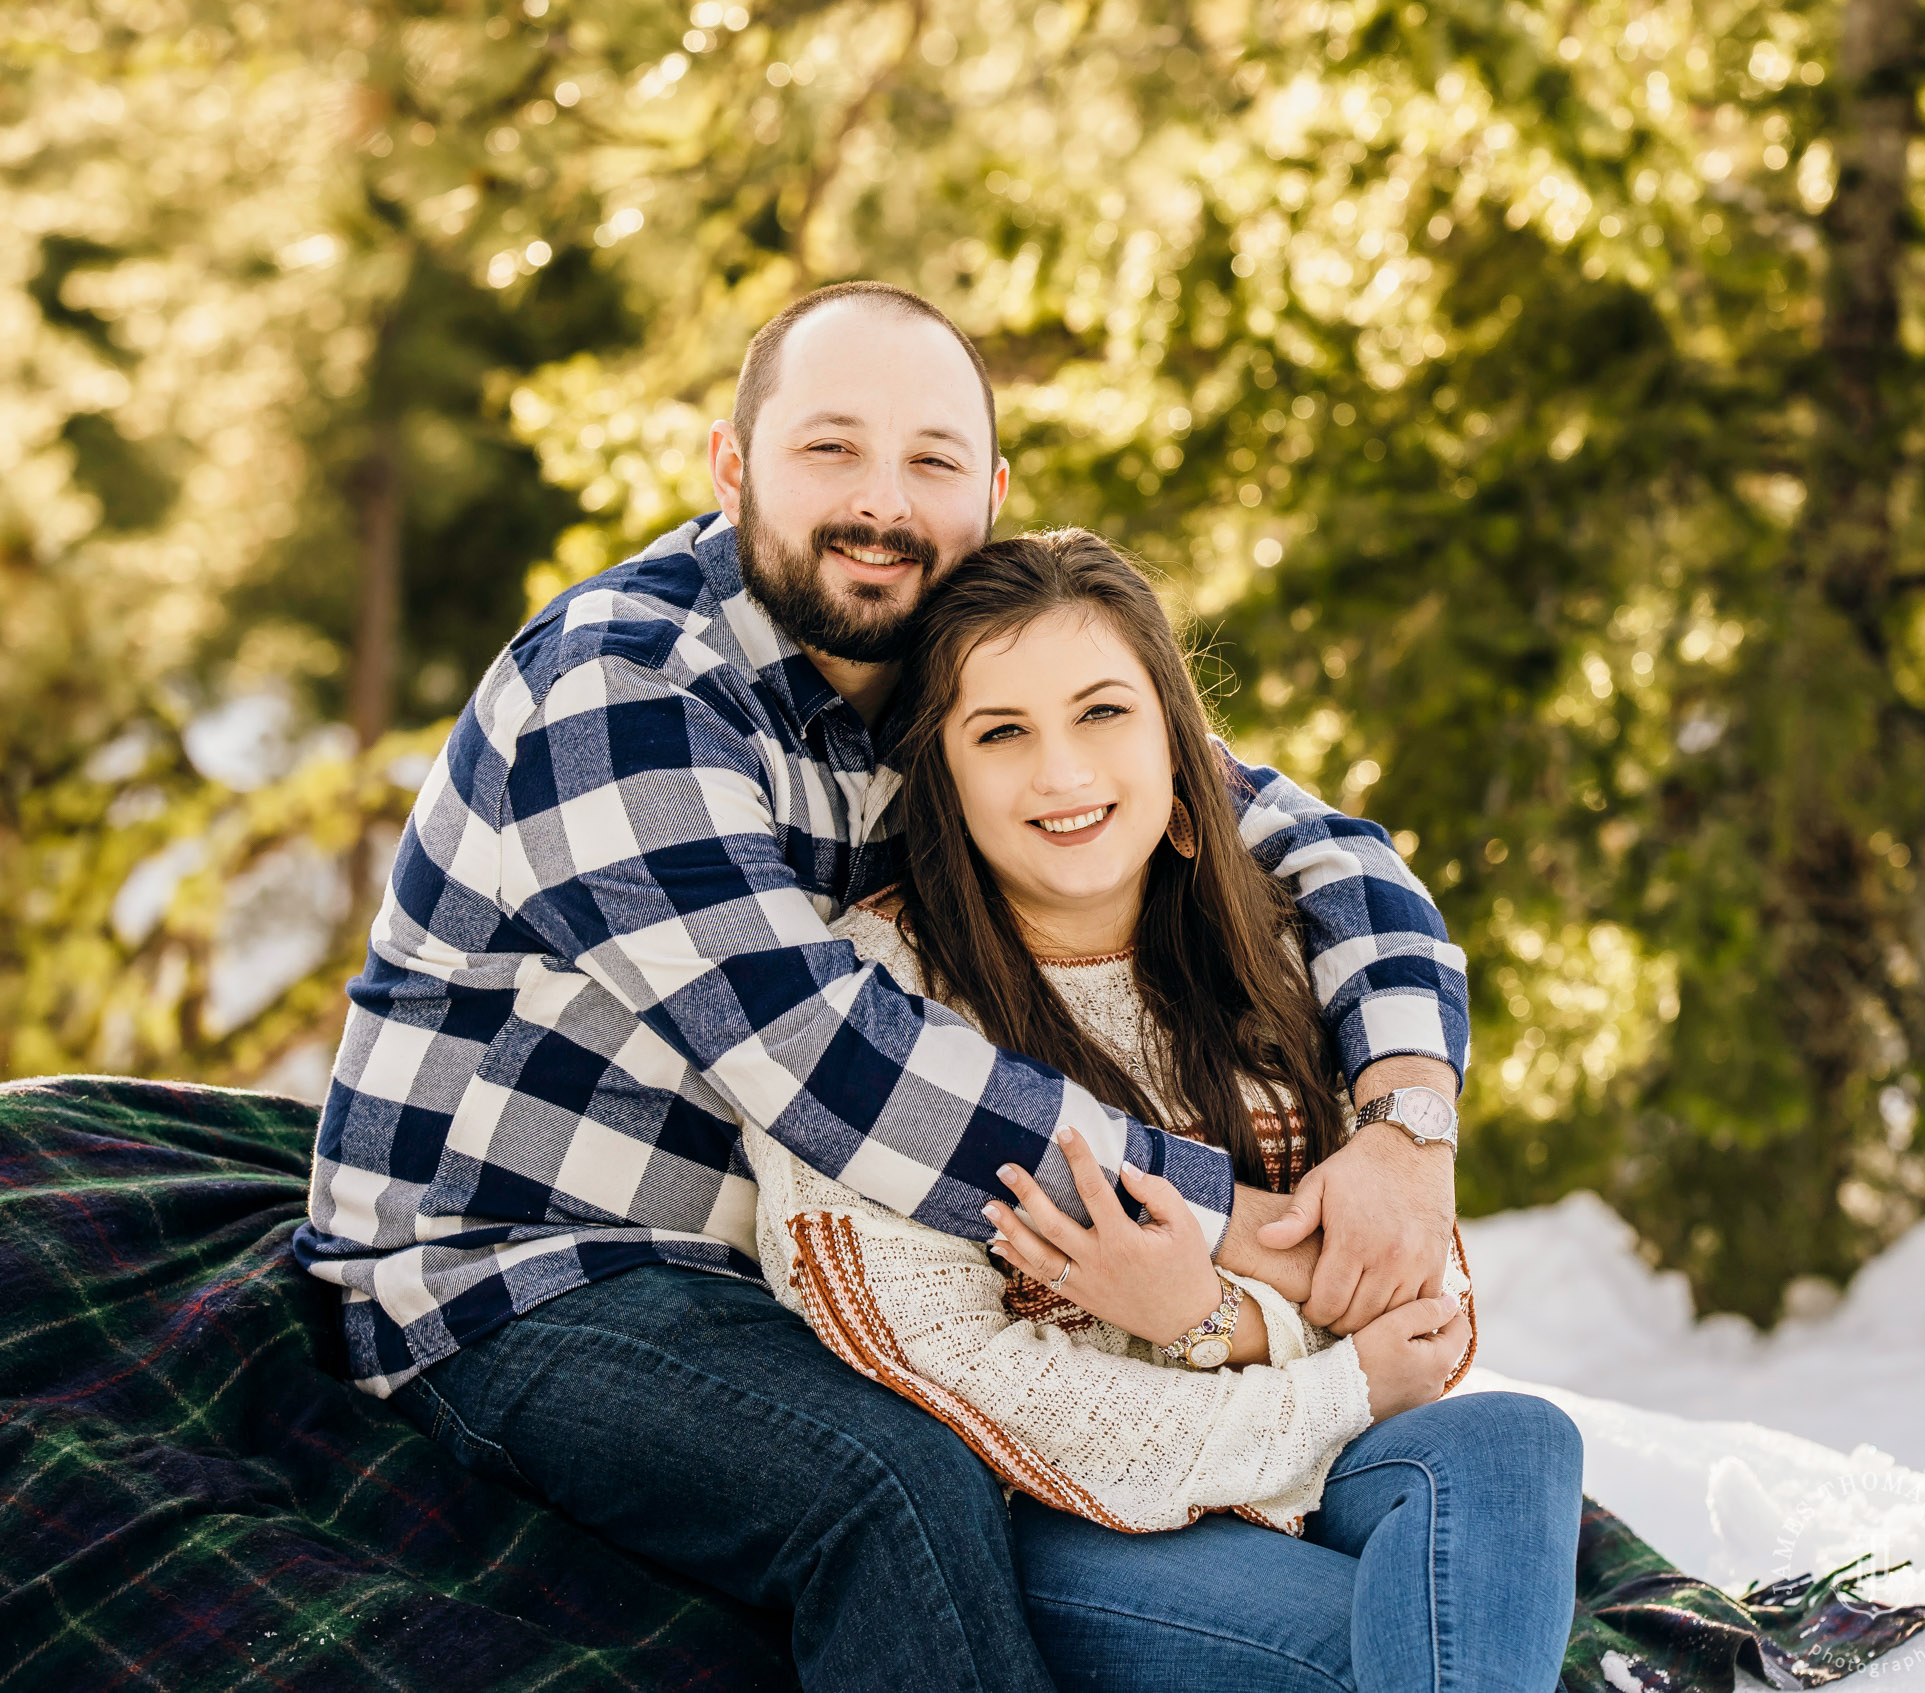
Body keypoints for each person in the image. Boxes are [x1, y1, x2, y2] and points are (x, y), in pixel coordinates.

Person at [293, 281, 1471, 1690]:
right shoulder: (621, 692)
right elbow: (826, 1064)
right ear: (732, 471)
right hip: (524, 1268)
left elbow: (1312, 847)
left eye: (931, 460)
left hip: (783, 1263)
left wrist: (1404, 1127)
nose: (882, 504)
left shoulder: (957, 667)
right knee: (885, 1487)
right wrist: (1241, 1221)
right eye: (829, 451)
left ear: (992, 487)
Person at [747, 527, 1583, 1691]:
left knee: (1514, 1444)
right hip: (1061, 1514)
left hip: (1310, 1461)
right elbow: (971, 1386)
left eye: (1102, 713)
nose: (1062, 773)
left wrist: (1214, 1321)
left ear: (1176, 737)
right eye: (1000, 733)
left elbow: (1419, 1310)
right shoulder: (874, 1014)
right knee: (1399, 1641)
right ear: (940, 775)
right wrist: (1318, 1375)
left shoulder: (1280, 949)